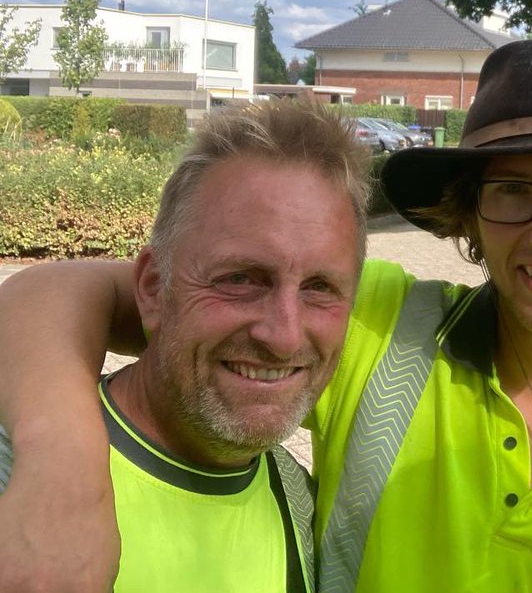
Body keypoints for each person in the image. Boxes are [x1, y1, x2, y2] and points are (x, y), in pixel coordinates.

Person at [0, 38, 532, 592]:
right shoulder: (382, 323)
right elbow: (70, 293)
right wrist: (64, 463)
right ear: (469, 216)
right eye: (512, 191)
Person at [0, 97, 371, 591]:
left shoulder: (299, 503)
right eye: (240, 278)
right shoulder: (20, 481)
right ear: (154, 288)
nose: (283, 337)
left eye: (320, 288)